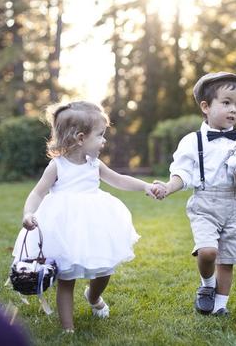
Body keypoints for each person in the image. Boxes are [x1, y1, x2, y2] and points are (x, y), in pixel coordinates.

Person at [11, 101, 163, 332]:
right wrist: (29, 212)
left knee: (104, 269)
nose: (104, 141)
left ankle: (93, 296)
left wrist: (144, 186)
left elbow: (119, 179)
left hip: (94, 222)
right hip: (63, 226)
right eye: (100, 135)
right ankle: (68, 328)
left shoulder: (95, 164)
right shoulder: (57, 166)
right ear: (81, 138)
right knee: (66, 277)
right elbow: (38, 192)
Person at [153, 72, 236, 317]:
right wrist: (169, 188)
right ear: (205, 106)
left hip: (233, 205)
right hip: (204, 203)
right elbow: (182, 172)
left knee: (227, 259)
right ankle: (206, 286)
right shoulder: (192, 141)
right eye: (226, 103)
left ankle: (220, 305)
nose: (233, 110)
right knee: (208, 252)